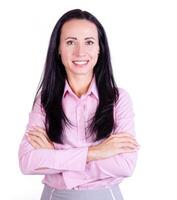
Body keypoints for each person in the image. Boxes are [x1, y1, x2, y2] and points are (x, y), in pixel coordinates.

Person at [18, 9, 140, 200]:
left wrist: (56, 158)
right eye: (70, 42)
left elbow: (125, 165)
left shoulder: (119, 99)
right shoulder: (45, 100)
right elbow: (27, 162)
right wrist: (95, 152)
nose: (80, 52)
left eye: (89, 42)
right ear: (58, 48)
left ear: (100, 48)